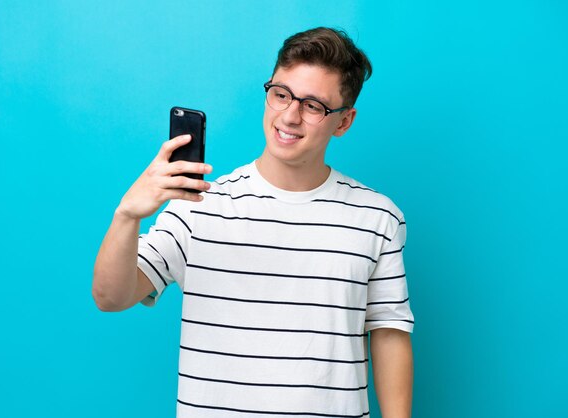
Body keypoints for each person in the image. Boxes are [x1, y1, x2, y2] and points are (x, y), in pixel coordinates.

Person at [93, 27, 414, 418]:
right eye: (281, 94)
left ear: (343, 121)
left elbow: (389, 331)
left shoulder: (377, 217)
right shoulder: (197, 205)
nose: (290, 116)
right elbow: (110, 297)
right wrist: (127, 215)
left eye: (313, 106)